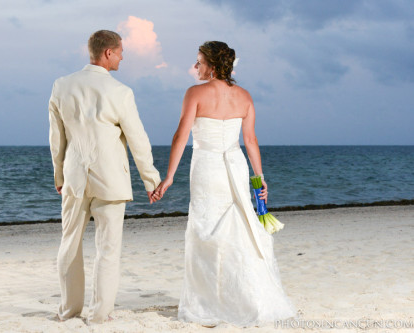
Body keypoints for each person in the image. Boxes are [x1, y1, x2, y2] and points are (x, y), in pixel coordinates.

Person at [154, 41, 296, 327]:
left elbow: (180, 137)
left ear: (213, 66)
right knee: (238, 227)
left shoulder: (195, 93)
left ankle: (210, 301)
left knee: (206, 229)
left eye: (199, 62)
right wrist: (259, 177)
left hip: (207, 165)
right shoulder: (244, 96)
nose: (195, 67)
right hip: (235, 164)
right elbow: (251, 140)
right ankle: (243, 296)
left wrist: (169, 176)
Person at [48, 30, 161, 324]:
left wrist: (59, 174)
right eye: (121, 50)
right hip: (110, 179)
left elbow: (56, 139)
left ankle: (68, 310)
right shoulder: (120, 92)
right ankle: (99, 314)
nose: (123, 56)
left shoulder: (61, 85)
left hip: (74, 176)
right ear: (108, 53)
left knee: (69, 244)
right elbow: (138, 139)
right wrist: (151, 180)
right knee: (108, 249)